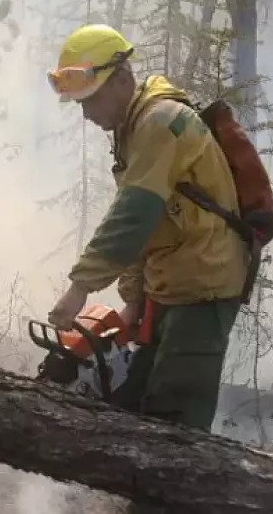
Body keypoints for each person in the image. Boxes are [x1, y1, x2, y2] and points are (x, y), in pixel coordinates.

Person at [44, 24, 248, 432]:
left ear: (122, 80)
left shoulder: (160, 121)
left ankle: (182, 494)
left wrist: (80, 286)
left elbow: (134, 214)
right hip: (169, 285)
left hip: (203, 286)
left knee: (176, 419)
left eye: (92, 99)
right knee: (136, 402)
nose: (85, 112)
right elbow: (151, 222)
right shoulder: (134, 129)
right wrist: (135, 299)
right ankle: (141, 493)